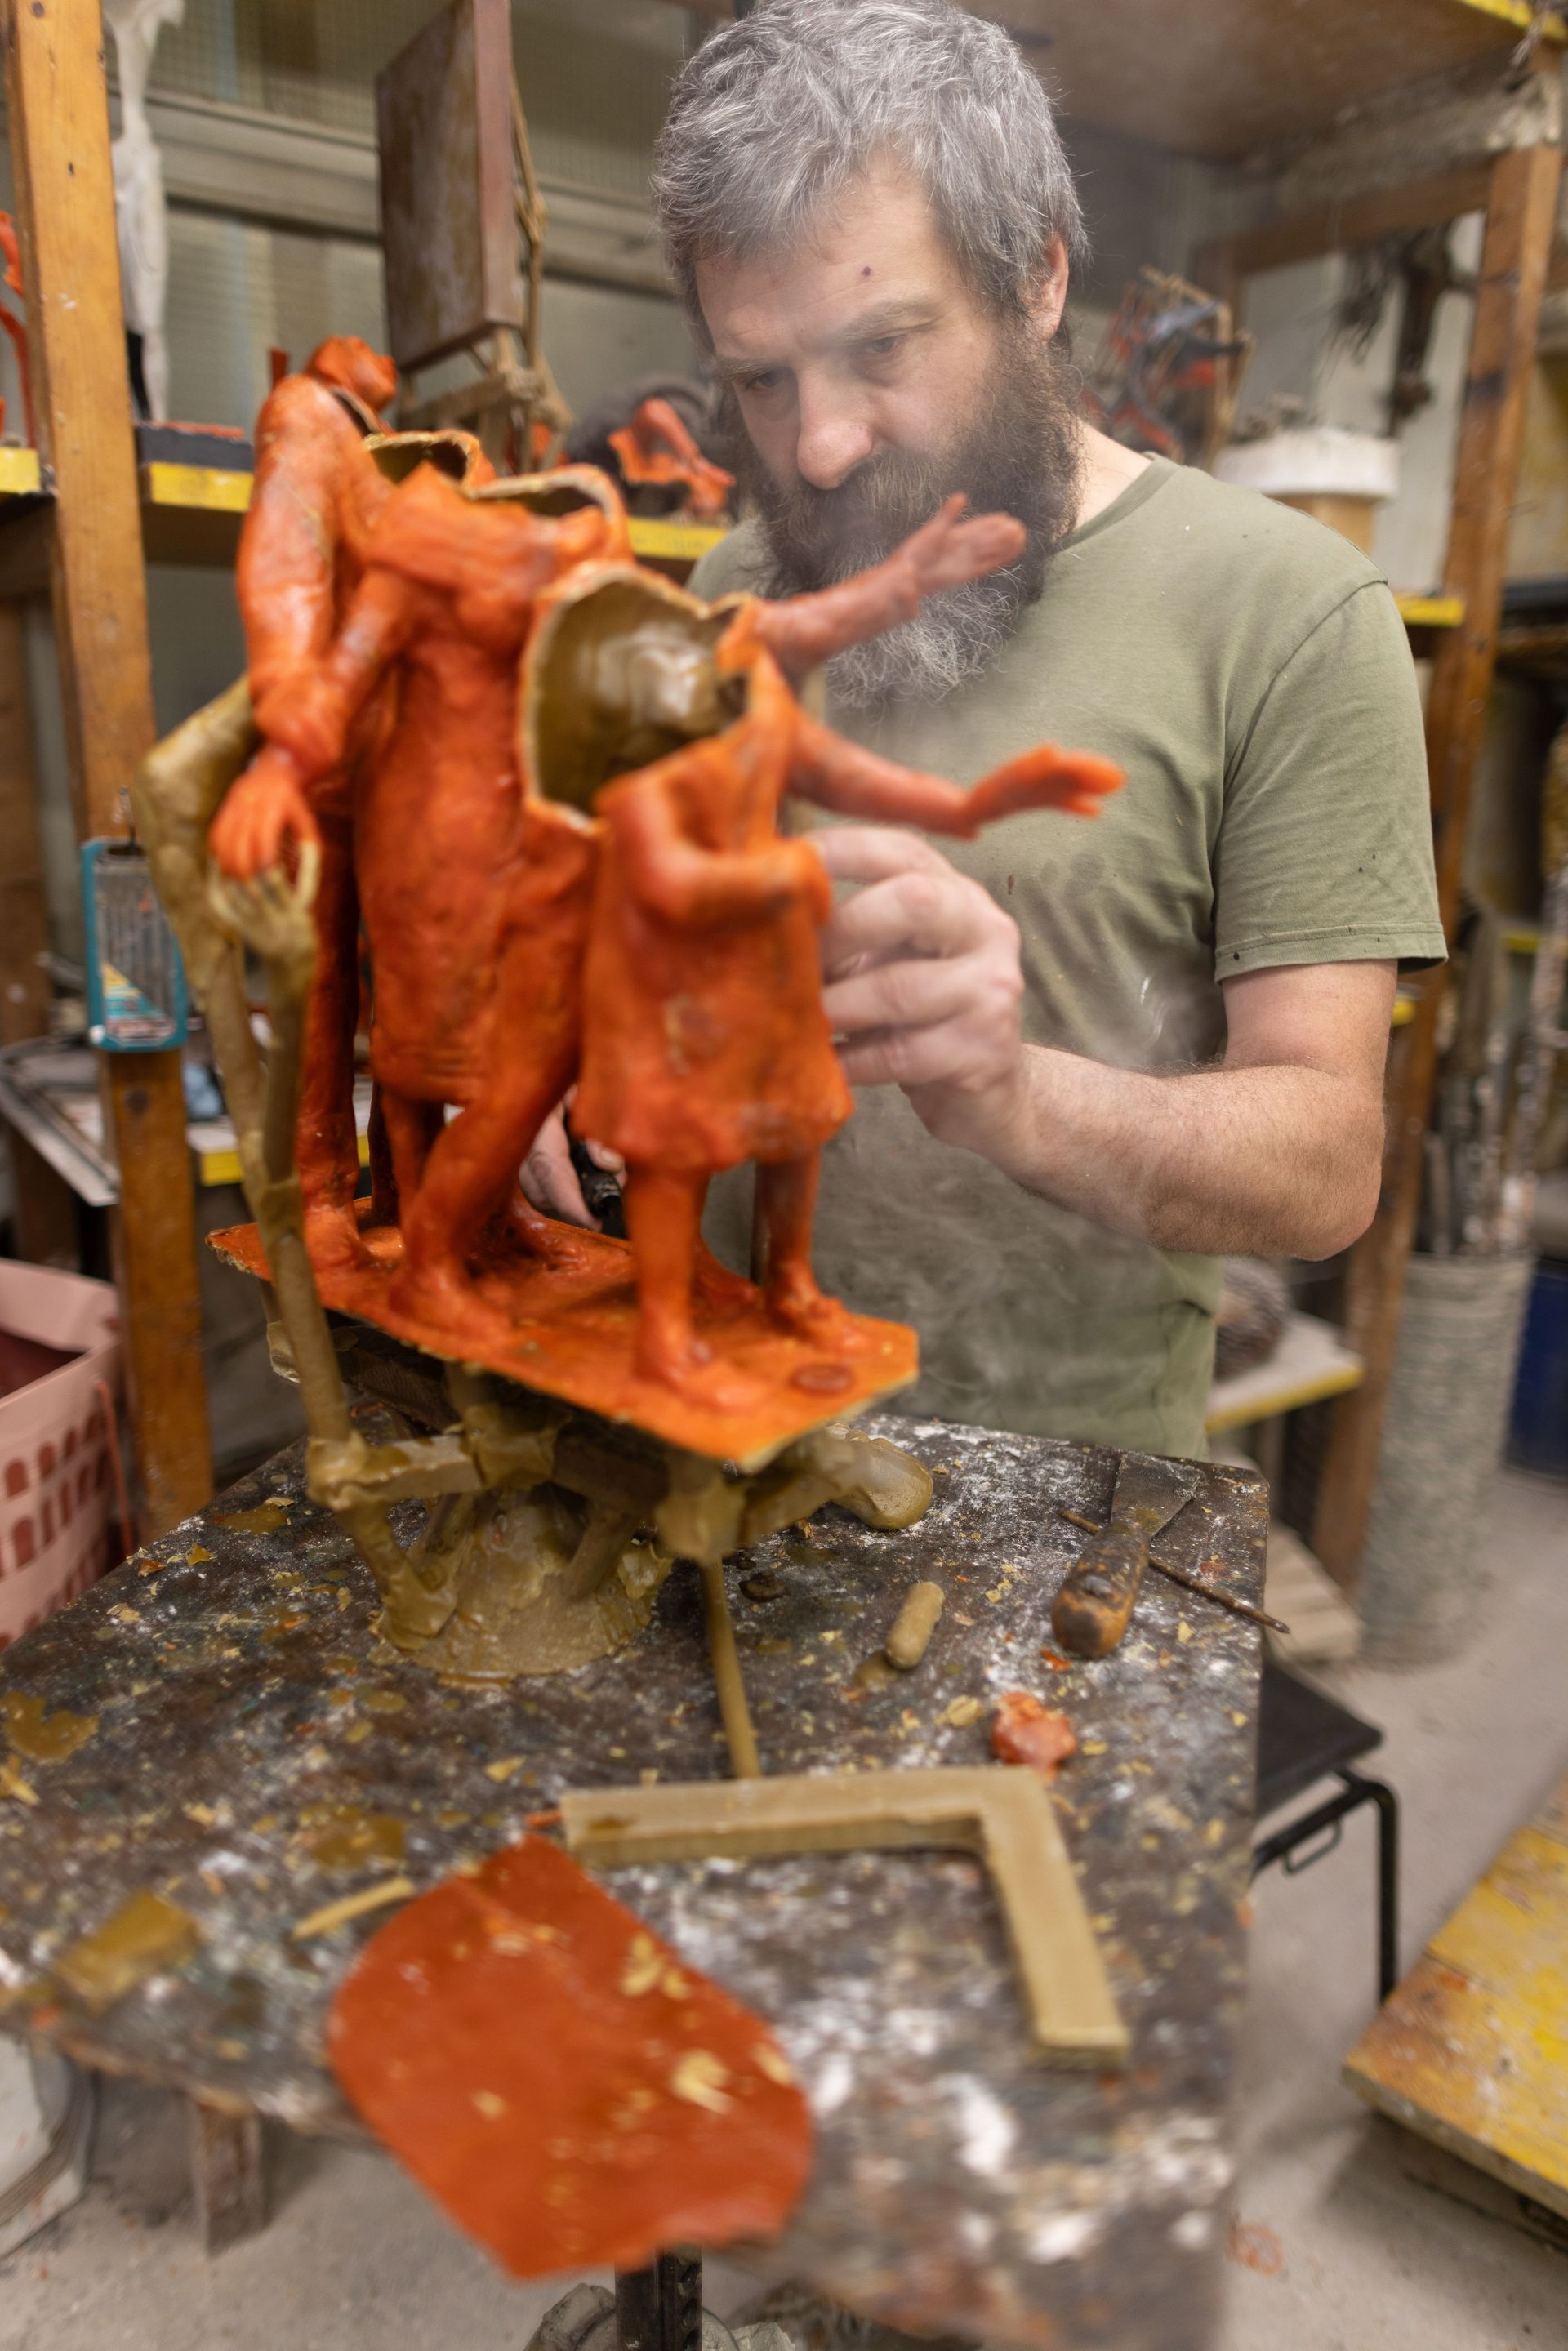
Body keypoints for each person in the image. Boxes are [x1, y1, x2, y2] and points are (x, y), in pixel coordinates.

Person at [530, 0, 1446, 1457]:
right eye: (760, 378)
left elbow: (1325, 1170)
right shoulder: (733, 588)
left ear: (1037, 280)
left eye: (883, 346)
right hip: (714, 1401)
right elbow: (634, 926)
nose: (817, 446)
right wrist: (549, 1033)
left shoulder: (1290, 615)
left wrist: (1021, 1096)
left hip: (1055, 1479)